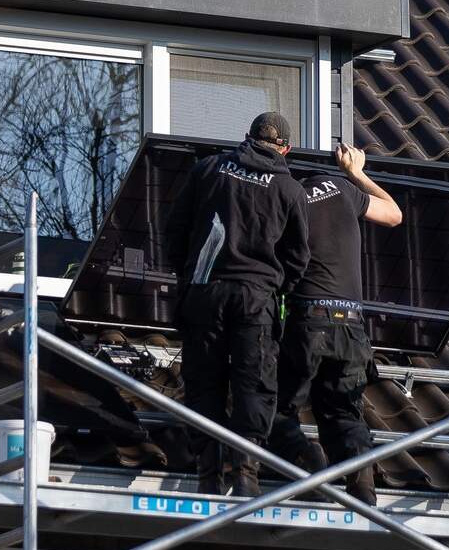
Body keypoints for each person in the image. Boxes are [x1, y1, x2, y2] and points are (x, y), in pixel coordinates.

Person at [169, 112, 311, 498]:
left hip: (205, 291)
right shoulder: (290, 190)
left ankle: (207, 474)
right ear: (286, 148)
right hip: (256, 299)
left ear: (245, 137)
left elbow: (175, 229)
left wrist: (186, 278)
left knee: (204, 381)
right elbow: (299, 256)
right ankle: (245, 474)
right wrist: (278, 287)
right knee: (254, 384)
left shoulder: (208, 169)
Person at [268, 142, 403, 505]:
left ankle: (309, 463)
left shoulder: (286, 197)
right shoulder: (344, 190)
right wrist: (356, 173)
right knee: (343, 412)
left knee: (278, 408)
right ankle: (362, 489)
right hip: (351, 324)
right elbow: (394, 215)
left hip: (306, 321)